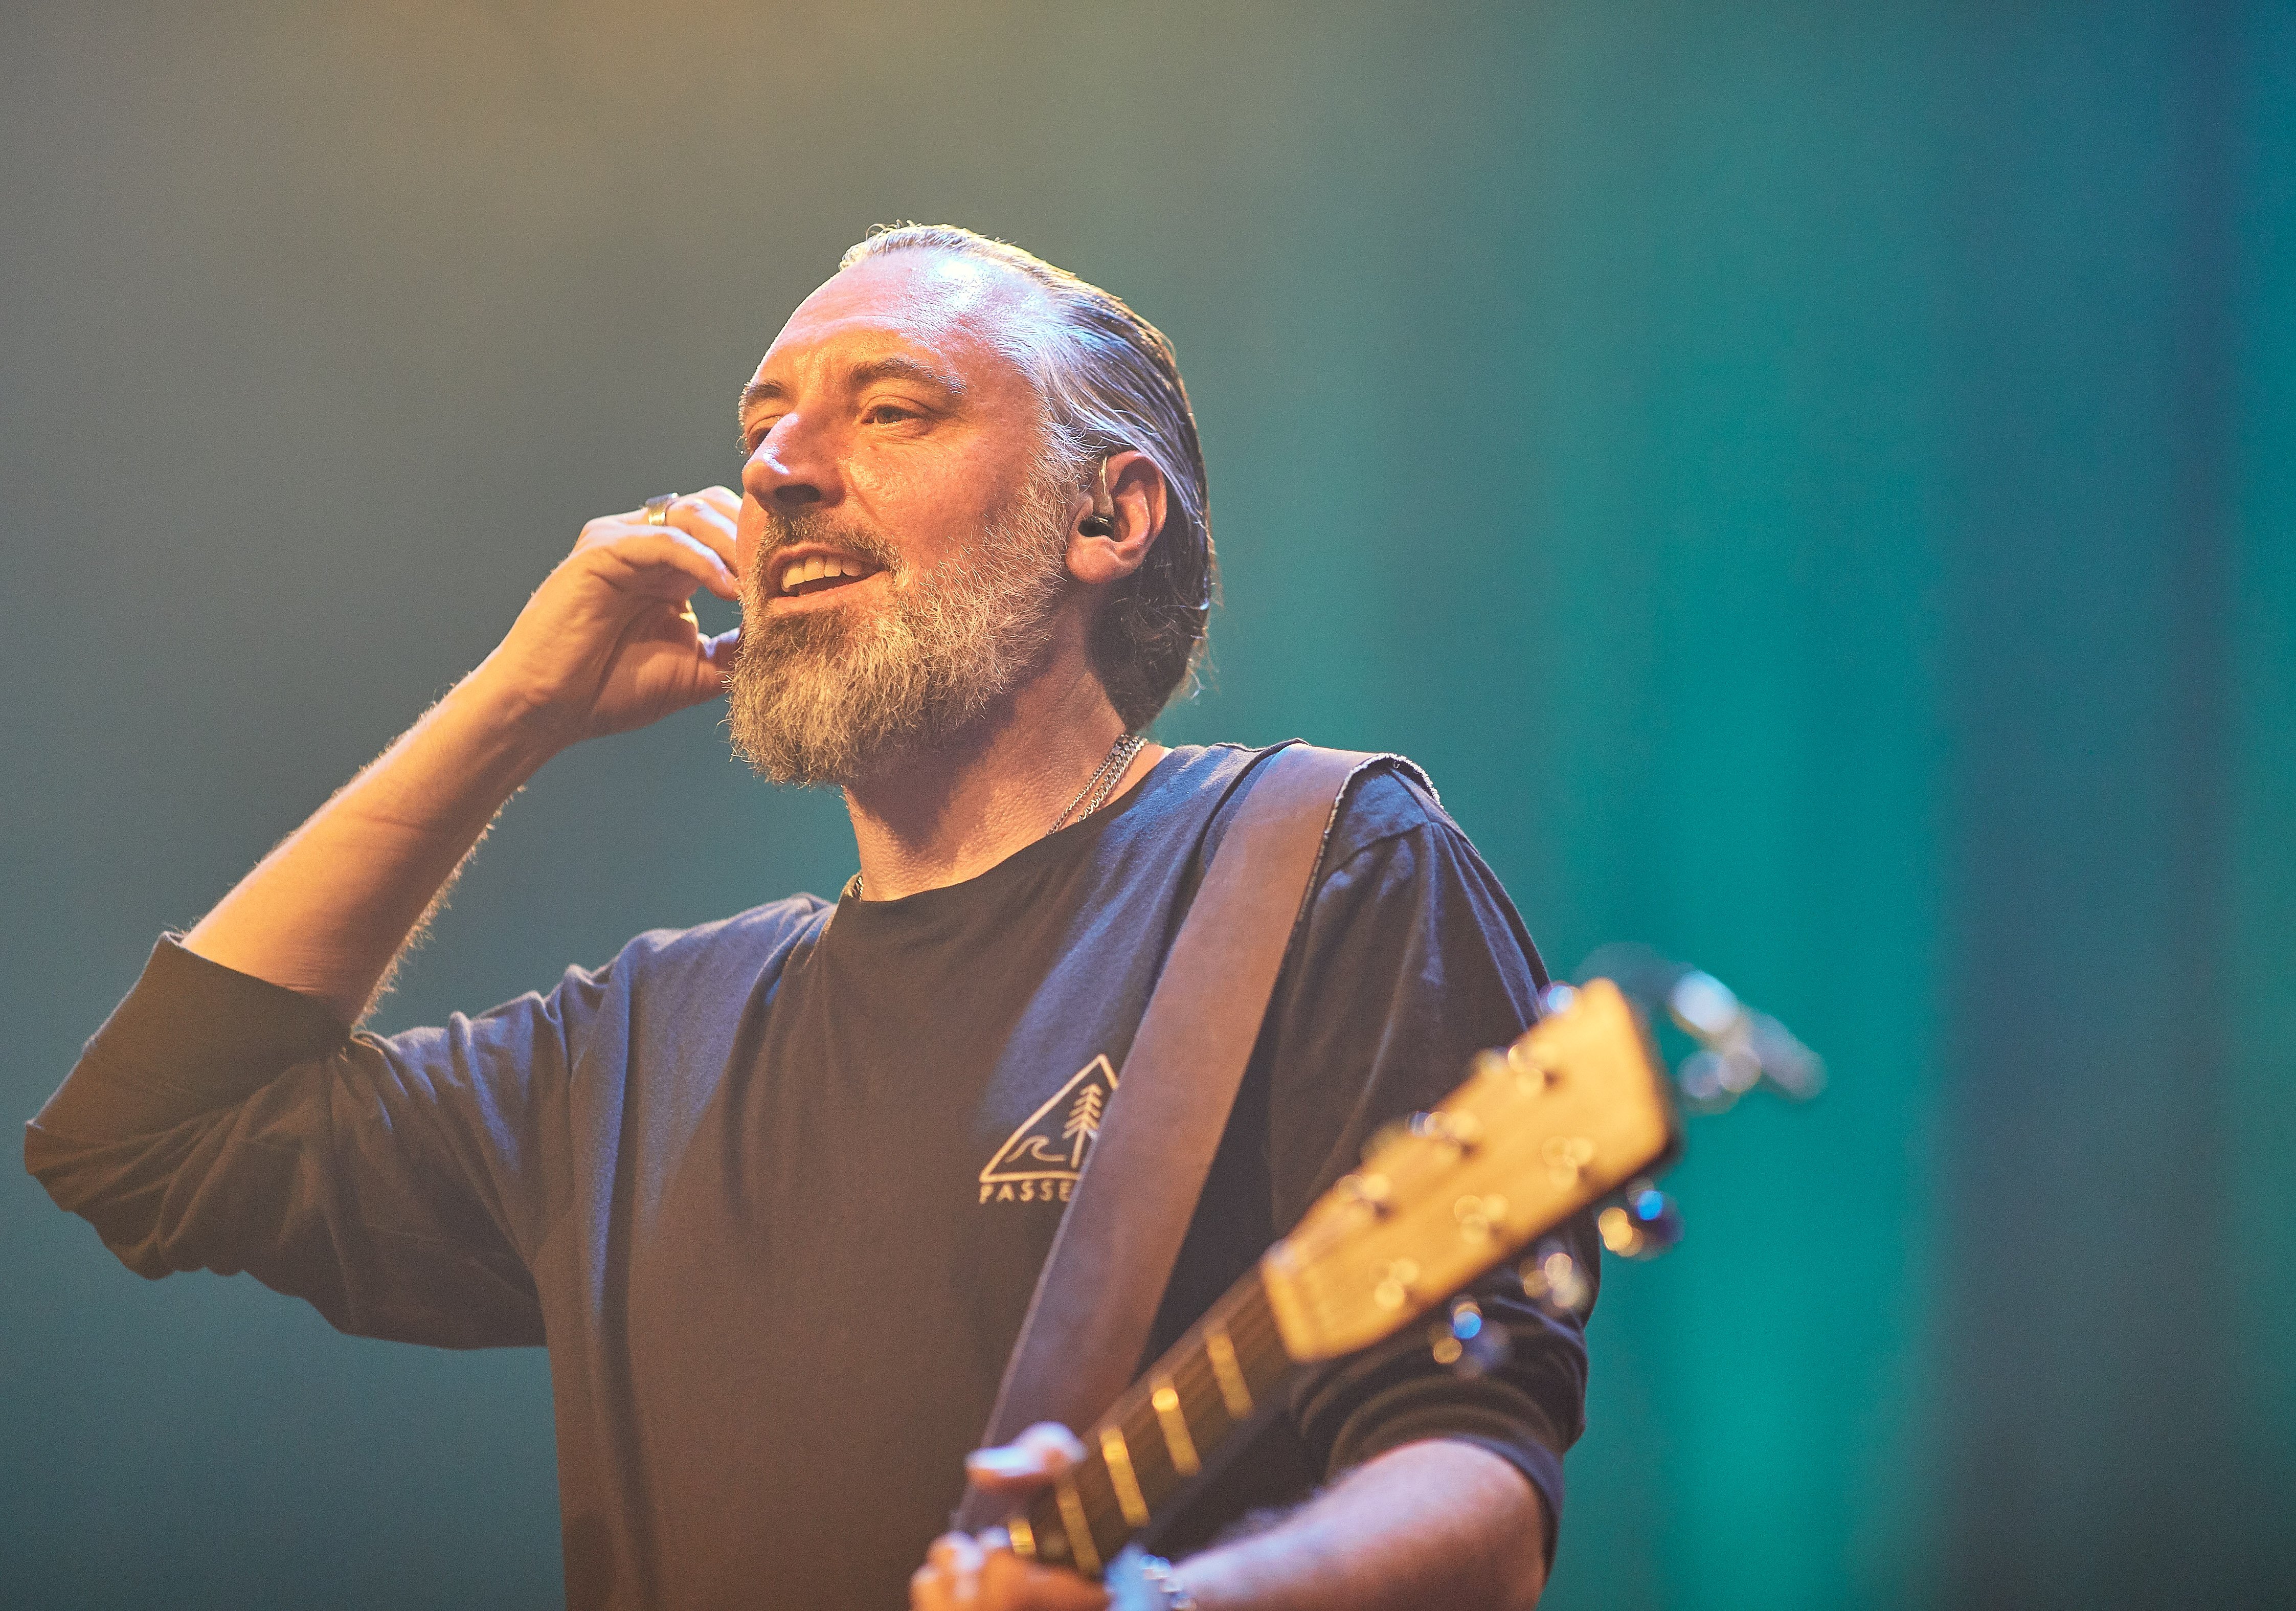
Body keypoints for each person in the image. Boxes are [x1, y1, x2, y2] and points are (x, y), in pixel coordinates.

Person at [27, 226, 1592, 1611]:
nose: (776, 470)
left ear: (1108, 517)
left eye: (891, 410)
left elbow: (1474, 1484)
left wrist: (1169, 1603)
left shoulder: (1310, 865)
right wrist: (512, 707)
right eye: (760, 427)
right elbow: (147, 1143)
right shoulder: (644, 1041)